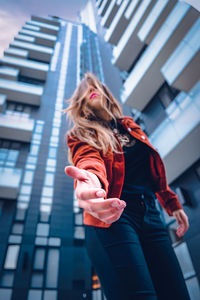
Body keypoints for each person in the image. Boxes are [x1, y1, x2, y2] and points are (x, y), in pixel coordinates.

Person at [63, 71, 190, 300]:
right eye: (86, 88)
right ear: (81, 103)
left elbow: (152, 171)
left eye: (96, 85)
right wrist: (90, 183)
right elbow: (88, 160)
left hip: (151, 215)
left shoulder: (130, 126)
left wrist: (172, 203)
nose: (92, 88)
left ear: (107, 94)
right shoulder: (80, 133)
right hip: (113, 219)